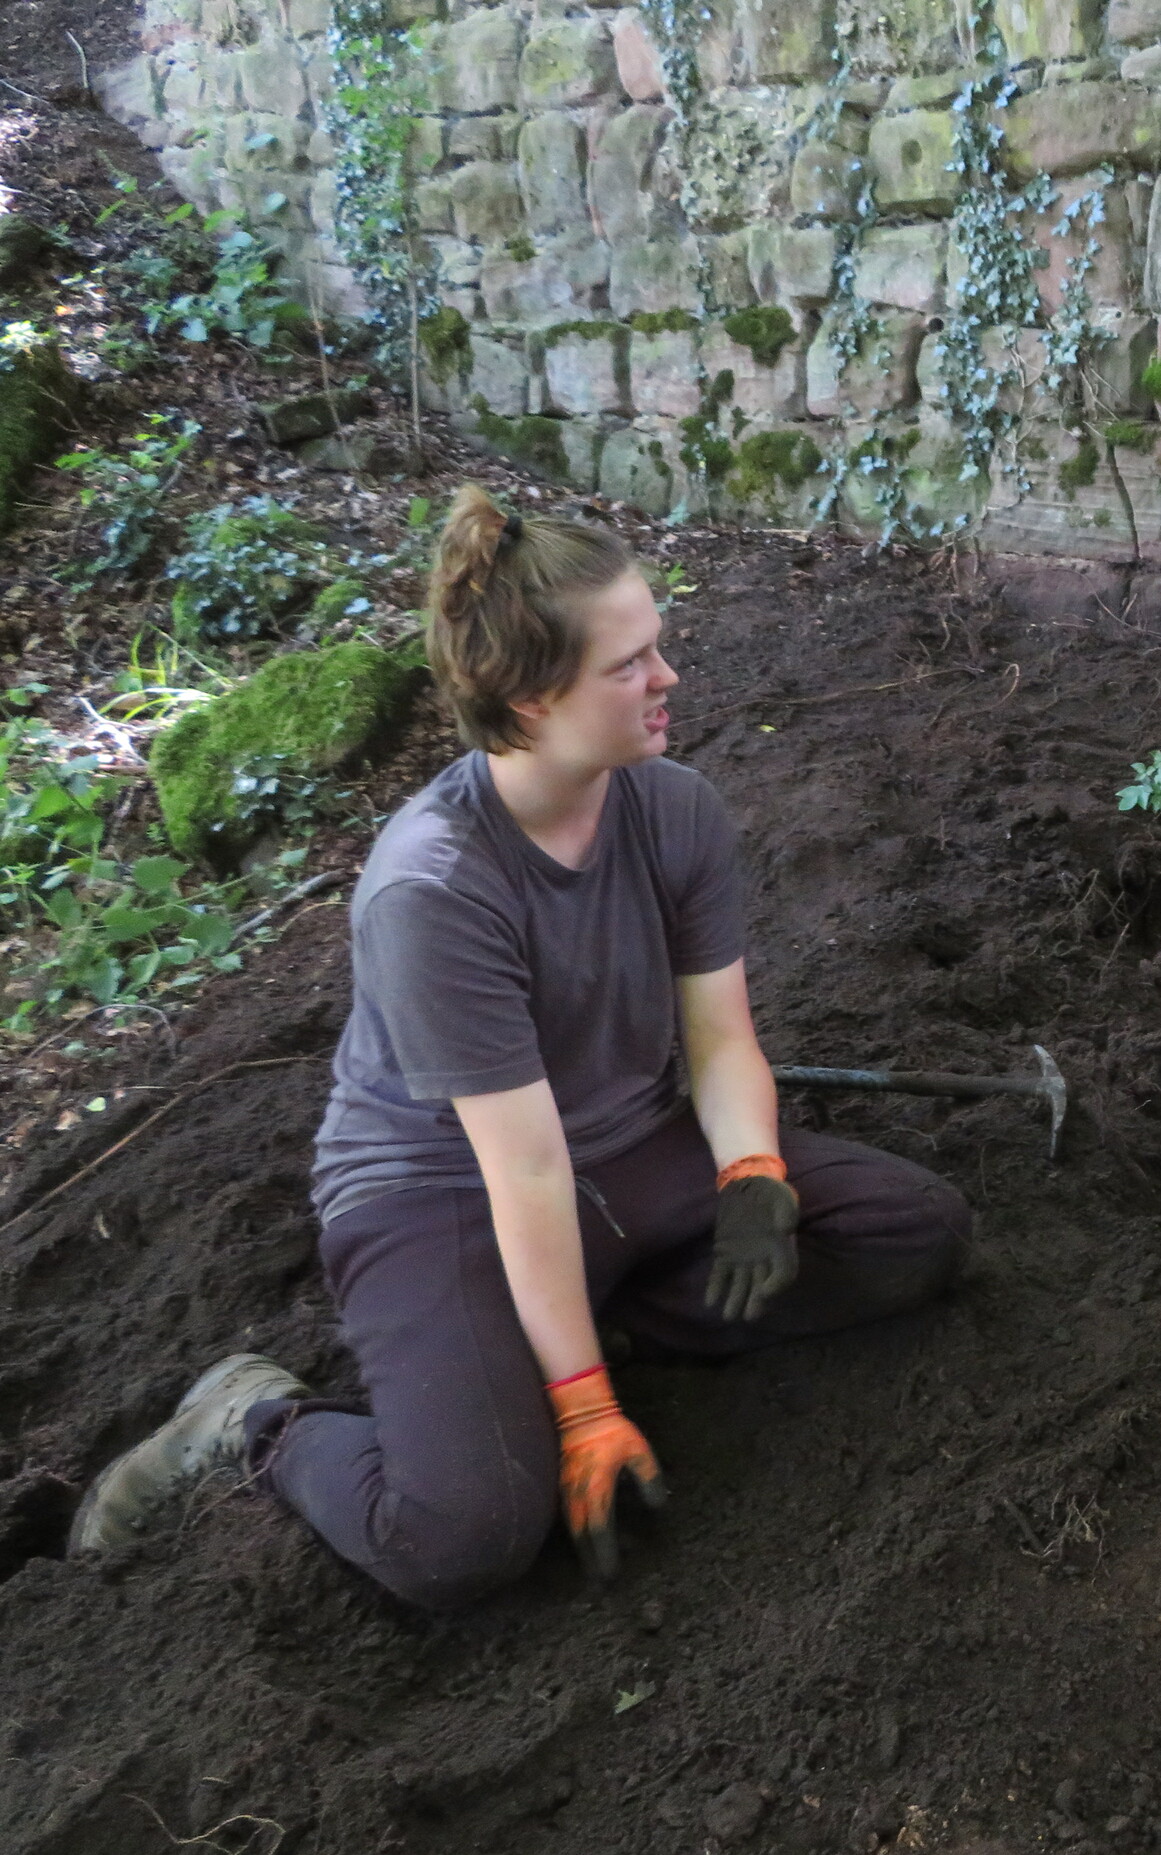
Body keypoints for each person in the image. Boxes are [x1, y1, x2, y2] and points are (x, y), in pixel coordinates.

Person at [70, 486, 973, 1606]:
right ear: (531, 699)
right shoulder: (435, 888)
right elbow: (527, 1168)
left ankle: (574, 1328)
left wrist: (751, 1171)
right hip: (440, 1192)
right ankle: (254, 1421)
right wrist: (586, 1409)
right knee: (464, 1534)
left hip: (629, 1147)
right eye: (629, 664)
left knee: (911, 1231)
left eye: (658, 646)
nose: (668, 678)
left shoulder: (674, 808)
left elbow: (719, 1038)